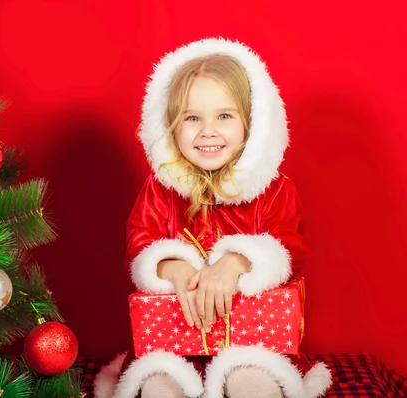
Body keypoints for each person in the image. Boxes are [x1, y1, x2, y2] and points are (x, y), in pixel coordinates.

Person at [94, 38, 332, 398]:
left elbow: (290, 248)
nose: (207, 131)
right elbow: (139, 244)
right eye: (192, 118)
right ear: (172, 126)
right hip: (173, 343)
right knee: (159, 386)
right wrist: (173, 267)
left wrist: (237, 261)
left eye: (224, 116)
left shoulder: (275, 190)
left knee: (253, 384)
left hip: (252, 343)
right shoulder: (160, 190)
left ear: (251, 123)